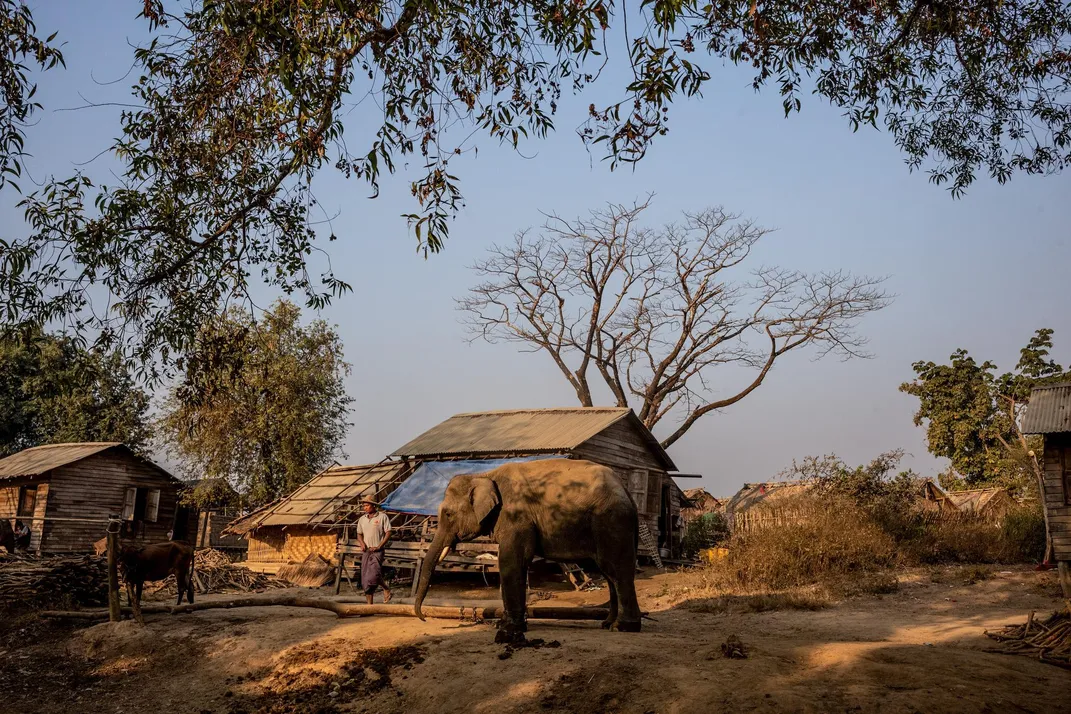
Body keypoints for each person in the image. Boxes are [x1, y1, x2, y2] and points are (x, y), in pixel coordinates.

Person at [355, 498, 392, 604]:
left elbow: (388, 532)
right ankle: (369, 607)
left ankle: (386, 588)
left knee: (374, 575)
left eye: (367, 505)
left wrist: (379, 546)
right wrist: (362, 544)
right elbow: (359, 534)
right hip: (366, 551)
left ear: (373, 506)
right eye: (364, 506)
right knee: (365, 580)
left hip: (377, 551)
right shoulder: (362, 519)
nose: (365, 507)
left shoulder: (382, 517)